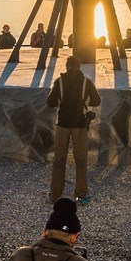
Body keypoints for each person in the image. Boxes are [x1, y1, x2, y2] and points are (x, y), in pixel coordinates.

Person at [46, 56, 101, 203]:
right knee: (81, 160)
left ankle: (55, 194)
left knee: (59, 159)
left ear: (66, 66)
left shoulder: (59, 82)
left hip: (63, 124)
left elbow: (50, 102)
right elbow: (97, 100)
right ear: (79, 67)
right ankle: (81, 194)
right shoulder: (86, 82)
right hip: (80, 125)